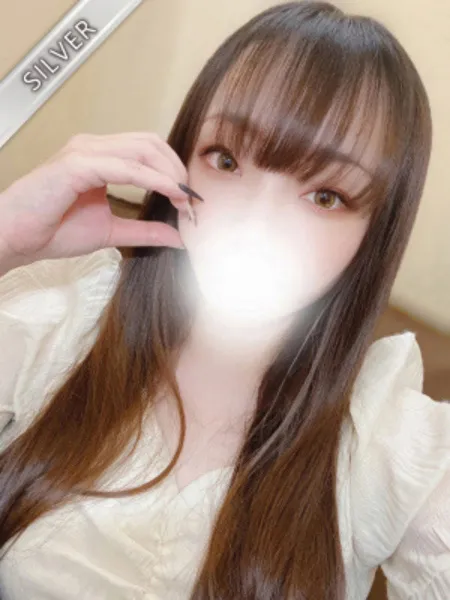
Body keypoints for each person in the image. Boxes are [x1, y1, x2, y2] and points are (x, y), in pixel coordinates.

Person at [0, 1, 449, 598]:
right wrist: (6, 237)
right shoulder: (62, 317)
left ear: (374, 236)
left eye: (327, 196)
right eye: (227, 159)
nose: (256, 221)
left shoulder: (386, 442)